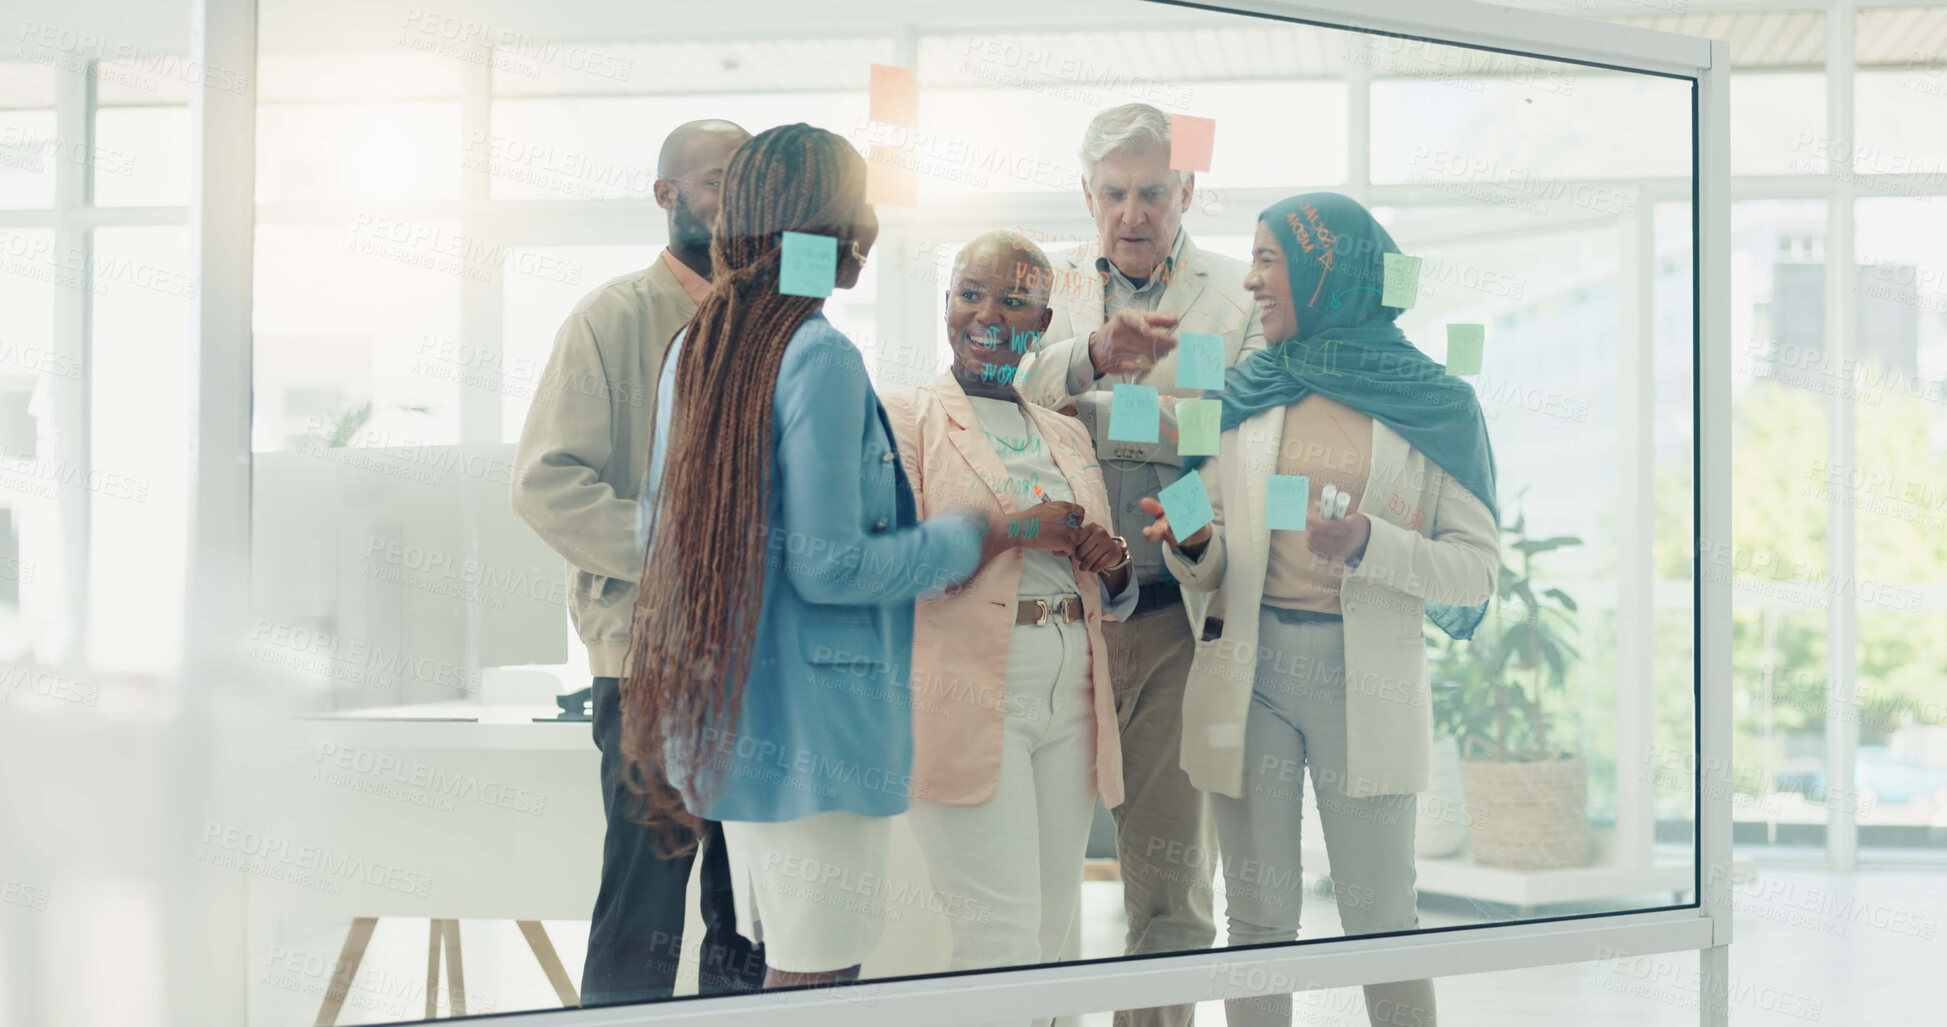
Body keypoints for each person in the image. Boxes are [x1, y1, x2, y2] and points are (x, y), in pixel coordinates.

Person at [626, 123, 1020, 990]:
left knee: (790, 979)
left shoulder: (698, 347)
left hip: (738, 723)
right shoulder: (819, 357)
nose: (872, 228)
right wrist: (961, 538)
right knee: (815, 983)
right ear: (819, 227)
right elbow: (830, 565)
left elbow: (656, 535)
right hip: (819, 737)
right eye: (858, 208)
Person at [1141, 192, 1501, 1027]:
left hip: (1362, 683)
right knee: (1258, 921)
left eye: (1270, 259)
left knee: (1382, 920)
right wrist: (1190, 545)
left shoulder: (1434, 402)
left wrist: (1369, 542)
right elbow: (1217, 540)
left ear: (1323, 268)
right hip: (1250, 675)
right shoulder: (1250, 387)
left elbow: (1475, 573)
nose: (1254, 280)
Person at [1015, 101, 1263, 1027]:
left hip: (1169, 621)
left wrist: (1107, 410)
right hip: (1053, 618)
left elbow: (1230, 445)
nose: (1131, 212)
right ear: (1086, 194)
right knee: (1034, 875)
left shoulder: (1236, 300)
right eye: (1113, 192)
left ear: (1186, 190)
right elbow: (995, 385)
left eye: (1151, 191)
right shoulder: (1041, 285)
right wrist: (1084, 356)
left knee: (1168, 888)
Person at [509, 118, 762, 1005]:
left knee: (750, 913)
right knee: (644, 910)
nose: (739, 201)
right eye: (720, 181)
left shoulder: (774, 327)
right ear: (667, 195)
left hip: (759, 659)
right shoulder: (612, 319)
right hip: (652, 662)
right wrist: (688, 549)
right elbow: (545, 483)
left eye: (752, 183)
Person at [880, 231, 1137, 1001]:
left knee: (1054, 934)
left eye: (1013, 300)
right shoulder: (903, 417)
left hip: (1073, 687)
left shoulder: (1064, 430)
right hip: (969, 689)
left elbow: (1107, 583)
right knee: (998, 933)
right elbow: (894, 566)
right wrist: (1014, 528)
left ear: (1042, 321)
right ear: (946, 303)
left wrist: (1110, 559)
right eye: (970, 293)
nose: (987, 315)